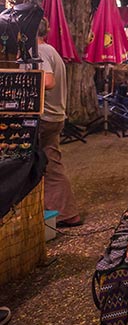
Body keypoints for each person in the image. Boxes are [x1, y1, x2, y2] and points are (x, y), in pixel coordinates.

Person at [36, 18, 81, 226]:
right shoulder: (51, 50)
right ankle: (62, 212)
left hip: (45, 117)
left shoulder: (40, 51)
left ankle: (64, 213)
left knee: (50, 165)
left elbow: (48, 81)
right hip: (54, 116)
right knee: (51, 163)